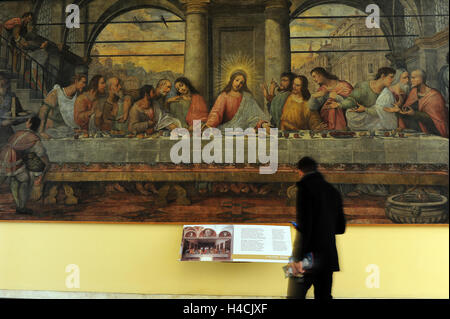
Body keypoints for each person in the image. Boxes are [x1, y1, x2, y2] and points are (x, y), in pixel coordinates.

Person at [287, 157, 346, 299]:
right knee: (324, 296)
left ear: (300, 171)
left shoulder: (304, 188)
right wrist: (325, 227)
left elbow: (306, 225)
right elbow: (341, 227)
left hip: (308, 256)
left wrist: (298, 259)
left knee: (294, 296)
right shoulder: (333, 191)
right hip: (327, 256)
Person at [0, 116, 49, 214]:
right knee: (24, 180)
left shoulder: (19, 132)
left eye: (27, 121)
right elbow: (41, 154)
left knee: (15, 179)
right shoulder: (34, 138)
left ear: (29, 124)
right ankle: (21, 207)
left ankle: (20, 206)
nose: (26, 122)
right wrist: (46, 164)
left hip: (3, 155)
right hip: (12, 159)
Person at [328, 67, 396, 131]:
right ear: (383, 76)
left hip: (371, 115)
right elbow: (352, 100)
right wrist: (339, 104)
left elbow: (384, 110)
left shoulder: (386, 92)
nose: (392, 80)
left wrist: (366, 109)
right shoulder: (364, 86)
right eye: (391, 77)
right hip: (357, 116)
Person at [206, 70, 270, 131]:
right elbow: (216, 113)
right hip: (227, 129)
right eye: (237, 80)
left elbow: (255, 115)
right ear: (232, 80)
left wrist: (262, 124)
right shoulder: (223, 96)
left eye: (241, 83)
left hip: (244, 129)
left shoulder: (247, 97)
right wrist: (209, 125)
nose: (238, 84)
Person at [398, 69, 448, 137]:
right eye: (410, 78)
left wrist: (414, 113)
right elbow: (406, 109)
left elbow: (435, 121)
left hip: (431, 134)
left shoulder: (435, 96)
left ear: (422, 78)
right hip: (413, 132)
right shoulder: (413, 92)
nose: (411, 80)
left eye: (414, 77)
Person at [38, 74, 87, 139]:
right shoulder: (56, 93)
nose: (84, 85)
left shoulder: (77, 96)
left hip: (69, 130)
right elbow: (43, 111)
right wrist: (41, 131)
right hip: (55, 130)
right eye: (83, 82)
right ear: (76, 81)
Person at [1, 73, 27, 146]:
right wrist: (2, 123)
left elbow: (18, 114)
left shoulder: (11, 96)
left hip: (7, 133)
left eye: (4, 84)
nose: (2, 86)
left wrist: (23, 117)